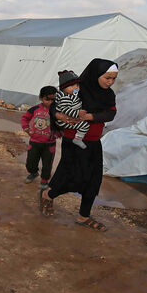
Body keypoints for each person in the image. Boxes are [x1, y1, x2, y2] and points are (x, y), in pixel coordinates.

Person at [40, 59, 118, 231]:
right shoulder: (78, 88)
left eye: (113, 78)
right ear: (97, 74)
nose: (110, 82)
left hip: (94, 142)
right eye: (107, 78)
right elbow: (54, 105)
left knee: (93, 180)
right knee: (70, 176)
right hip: (74, 140)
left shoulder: (108, 94)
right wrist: (59, 116)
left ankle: (83, 217)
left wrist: (90, 117)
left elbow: (111, 113)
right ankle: (48, 194)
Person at [21, 86, 58, 190]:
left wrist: (57, 134)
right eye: (47, 99)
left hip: (49, 145)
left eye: (53, 100)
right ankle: (33, 173)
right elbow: (25, 118)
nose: (50, 102)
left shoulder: (58, 111)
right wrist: (27, 129)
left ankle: (44, 180)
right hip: (34, 142)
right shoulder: (35, 109)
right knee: (30, 162)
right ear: (41, 98)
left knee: (47, 165)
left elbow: (63, 124)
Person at [54, 70, 89, 150]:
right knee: (85, 125)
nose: (76, 87)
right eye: (72, 86)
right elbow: (65, 109)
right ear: (63, 88)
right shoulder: (65, 97)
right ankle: (78, 139)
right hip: (66, 120)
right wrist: (77, 113)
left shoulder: (71, 94)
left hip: (72, 115)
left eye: (77, 85)